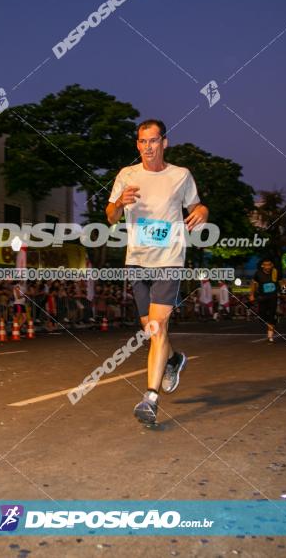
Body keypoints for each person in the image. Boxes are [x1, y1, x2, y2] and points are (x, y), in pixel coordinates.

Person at [106, 118, 208, 425]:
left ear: (164, 142)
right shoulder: (127, 175)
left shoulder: (181, 176)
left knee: (157, 328)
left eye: (153, 141)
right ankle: (174, 360)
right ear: (137, 145)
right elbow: (110, 217)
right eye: (142, 142)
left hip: (169, 260)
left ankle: (150, 398)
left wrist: (202, 212)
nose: (148, 147)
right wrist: (119, 205)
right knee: (150, 329)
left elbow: (197, 206)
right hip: (137, 261)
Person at [252, 258, 280, 343]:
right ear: (262, 266)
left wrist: (284, 293)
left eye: (269, 265)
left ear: (271, 265)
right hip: (262, 297)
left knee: (271, 315)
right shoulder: (258, 274)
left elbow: (283, 283)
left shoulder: (275, 272)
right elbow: (253, 284)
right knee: (261, 315)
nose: (267, 267)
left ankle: (270, 337)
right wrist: (251, 294)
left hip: (273, 297)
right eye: (266, 265)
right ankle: (274, 319)